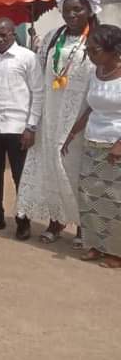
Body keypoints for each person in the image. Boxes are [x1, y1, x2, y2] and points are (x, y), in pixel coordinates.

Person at [15, 0, 100, 244]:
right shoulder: (53, 38)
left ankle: (84, 228)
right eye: (67, 10)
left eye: (78, 9)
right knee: (51, 169)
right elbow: (40, 84)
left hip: (81, 118)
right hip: (50, 117)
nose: (72, 15)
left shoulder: (97, 39)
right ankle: (55, 221)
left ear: (90, 10)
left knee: (77, 172)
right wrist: (33, 123)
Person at [0, 17, 43, 235]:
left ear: (13, 33)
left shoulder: (27, 57)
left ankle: (23, 221)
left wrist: (31, 127)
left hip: (18, 129)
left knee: (20, 175)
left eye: (3, 34)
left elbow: (38, 94)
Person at [63, 24, 121, 268]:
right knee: (89, 196)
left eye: (95, 50)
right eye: (88, 50)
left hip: (115, 146)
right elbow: (91, 107)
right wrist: (73, 132)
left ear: (114, 50)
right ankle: (95, 245)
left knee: (114, 200)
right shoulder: (95, 73)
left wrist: (119, 144)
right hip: (92, 140)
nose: (90, 55)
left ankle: (116, 252)